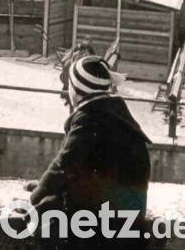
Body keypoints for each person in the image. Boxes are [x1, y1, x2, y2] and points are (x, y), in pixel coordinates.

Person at [25, 56, 151, 249]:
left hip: (107, 230)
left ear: (76, 91)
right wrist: (48, 187)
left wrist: (39, 194)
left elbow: (64, 165)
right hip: (130, 222)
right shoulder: (117, 114)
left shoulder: (90, 117)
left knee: (50, 220)